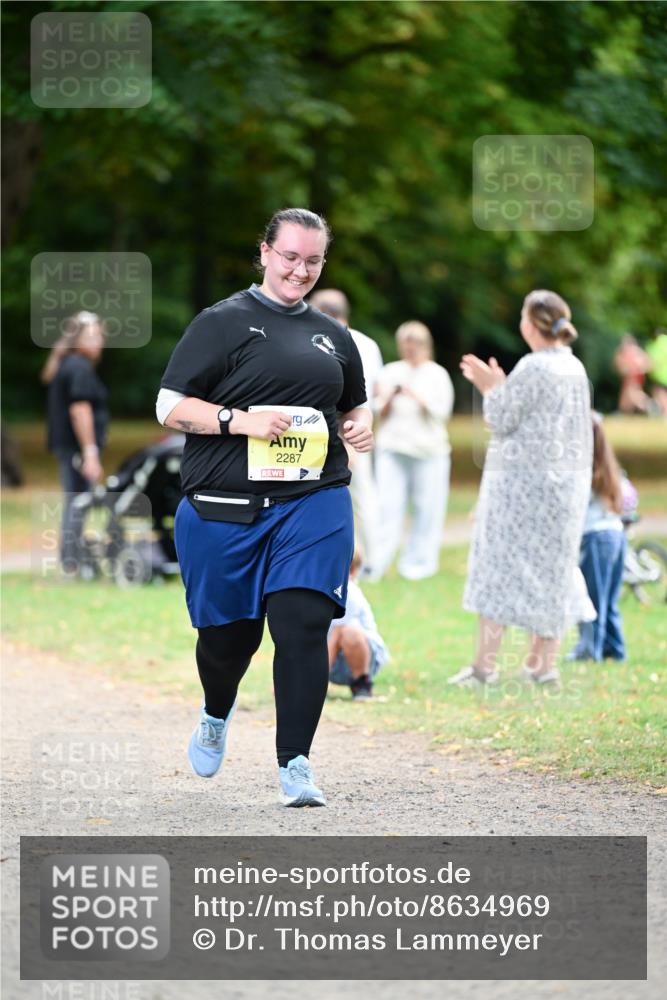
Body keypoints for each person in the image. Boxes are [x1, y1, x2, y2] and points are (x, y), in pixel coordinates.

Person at [155, 208, 372, 807]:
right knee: (229, 641)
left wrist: (359, 427)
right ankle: (215, 710)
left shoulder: (333, 334)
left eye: (313, 261)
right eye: (290, 257)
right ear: (265, 253)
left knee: (303, 623)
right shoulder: (220, 323)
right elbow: (169, 406)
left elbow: (354, 404)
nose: (300, 270)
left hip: (314, 500)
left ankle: (295, 764)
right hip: (224, 506)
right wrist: (239, 420)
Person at [449, 289, 592, 687]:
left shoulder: (534, 366)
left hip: (521, 490)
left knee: (499, 568)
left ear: (530, 324)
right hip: (563, 488)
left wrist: (490, 386)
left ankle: (484, 668)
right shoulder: (573, 366)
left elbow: (501, 417)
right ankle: (542, 666)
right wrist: (501, 385)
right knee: (553, 570)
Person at [309, 289, 383, 579]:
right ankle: (365, 562)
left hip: (346, 429)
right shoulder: (368, 343)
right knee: (360, 497)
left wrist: (350, 443)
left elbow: (363, 399)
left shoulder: (339, 342)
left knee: (358, 496)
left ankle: (364, 563)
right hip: (346, 428)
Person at [373, 321, 454, 580]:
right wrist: (391, 397)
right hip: (393, 447)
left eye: (415, 345)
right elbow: (377, 410)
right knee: (387, 506)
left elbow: (442, 412)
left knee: (427, 508)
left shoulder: (437, 374)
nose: (410, 350)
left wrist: (416, 395)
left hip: (429, 451)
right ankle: (377, 562)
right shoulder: (390, 371)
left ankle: (419, 564)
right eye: (406, 345)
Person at [42, 311, 108, 575]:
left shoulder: (68, 364)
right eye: (92, 337)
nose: (98, 342)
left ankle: (71, 559)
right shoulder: (78, 367)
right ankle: (72, 561)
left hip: (69, 448)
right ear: (76, 339)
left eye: (100, 337)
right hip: (76, 449)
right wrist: (90, 451)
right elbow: (80, 410)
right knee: (78, 502)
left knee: (75, 500)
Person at [568, 416, 627, 662]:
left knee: (592, 599)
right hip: (616, 534)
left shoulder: (583, 470)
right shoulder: (609, 466)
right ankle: (615, 648)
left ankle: (590, 650)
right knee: (608, 599)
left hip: (595, 537)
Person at [327, 550, 389, 700]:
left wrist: (315, 682)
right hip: (329, 655)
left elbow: (336, 637)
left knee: (350, 633)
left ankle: (362, 682)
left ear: (352, 572)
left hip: (363, 658)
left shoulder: (348, 593)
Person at [613, 335, 651, 414]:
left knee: (632, 393)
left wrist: (638, 369)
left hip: (635, 376)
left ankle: (649, 406)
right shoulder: (624, 353)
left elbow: (647, 363)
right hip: (629, 377)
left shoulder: (636, 352)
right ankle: (624, 412)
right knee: (626, 395)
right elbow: (619, 365)